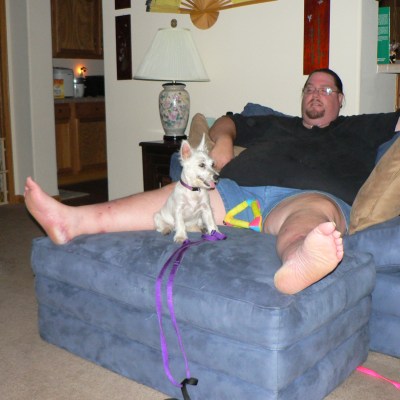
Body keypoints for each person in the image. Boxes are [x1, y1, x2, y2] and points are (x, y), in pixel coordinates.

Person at [24, 69, 400, 295]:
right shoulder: (274, 122)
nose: (316, 94)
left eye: (326, 90)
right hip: (239, 191)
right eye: (310, 88)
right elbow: (227, 120)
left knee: (309, 219)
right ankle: (73, 220)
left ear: (341, 100)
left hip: (309, 197)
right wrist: (222, 140)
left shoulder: (361, 126)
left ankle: (299, 261)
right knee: (180, 195)